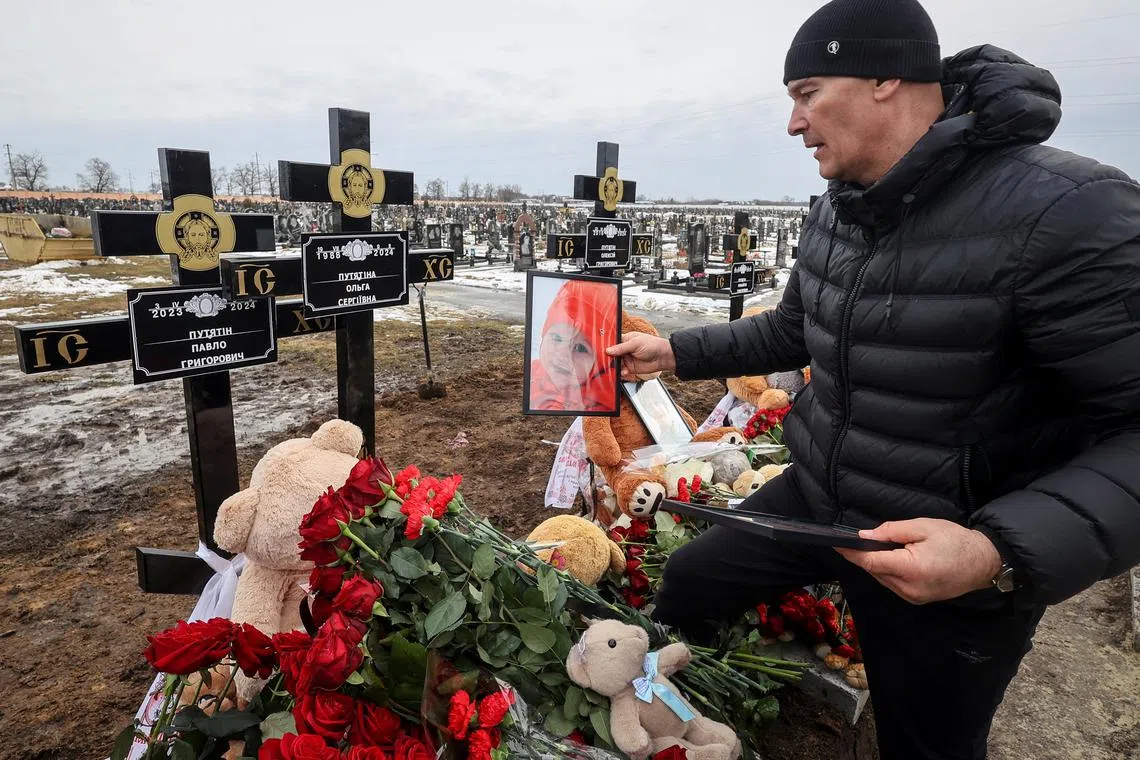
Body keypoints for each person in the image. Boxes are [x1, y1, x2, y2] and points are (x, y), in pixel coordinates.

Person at [606, 1, 1140, 758]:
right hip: (821, 498)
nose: (794, 124)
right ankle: (690, 721)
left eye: (807, 92)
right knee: (693, 582)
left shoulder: (1066, 213)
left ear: (888, 76)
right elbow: (795, 329)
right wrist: (675, 354)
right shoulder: (840, 208)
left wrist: (996, 553)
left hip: (945, 552)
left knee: (926, 743)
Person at [530, 279, 618, 413]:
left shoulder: (603, 403)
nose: (562, 354)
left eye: (580, 348)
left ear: (600, 364)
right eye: (557, 338)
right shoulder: (533, 375)